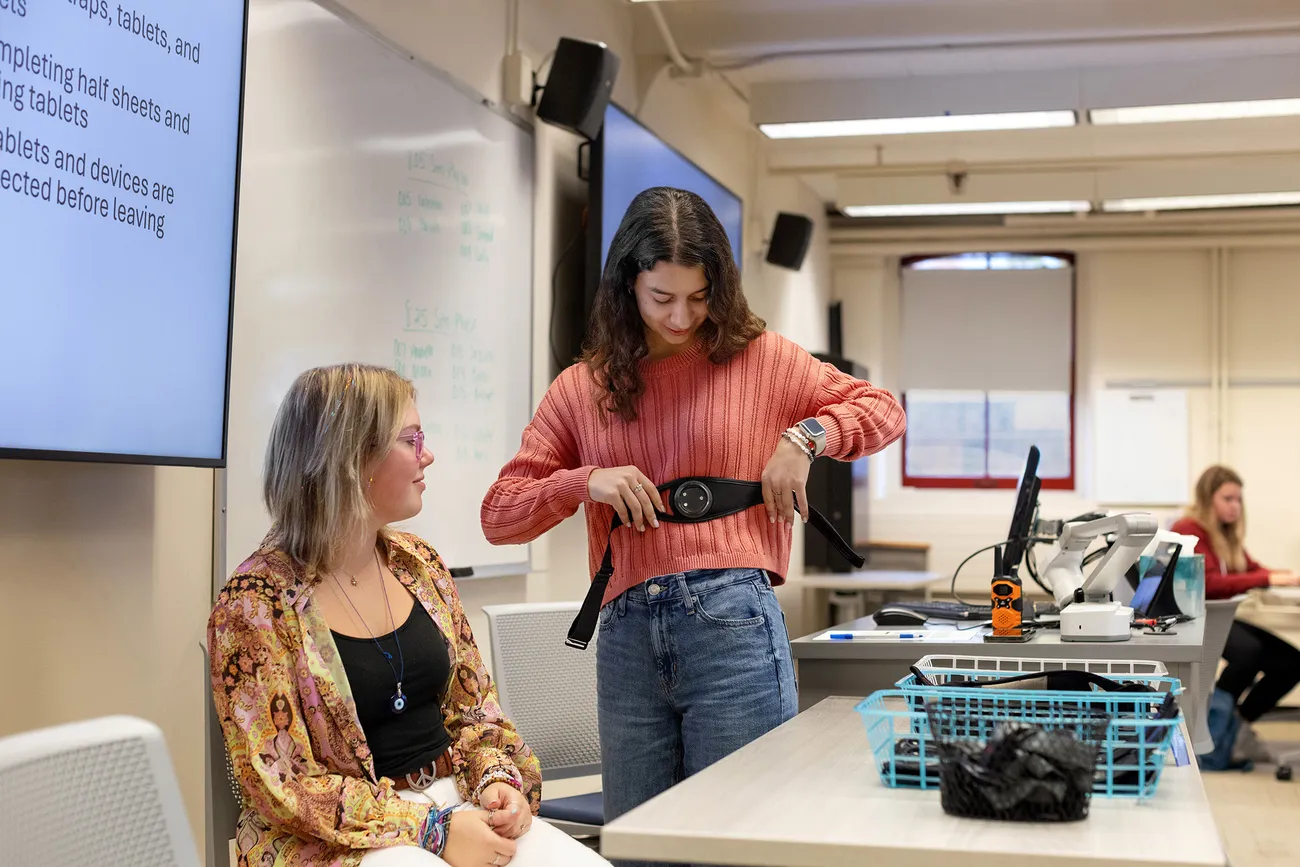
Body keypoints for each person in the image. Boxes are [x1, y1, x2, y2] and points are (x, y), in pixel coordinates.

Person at [480, 186, 907, 864]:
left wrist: (806, 437)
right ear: (628, 284)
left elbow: (882, 409)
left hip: (731, 625)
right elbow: (499, 512)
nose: (682, 316)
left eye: (699, 296)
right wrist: (584, 480)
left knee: (742, 845)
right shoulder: (581, 387)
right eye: (661, 297)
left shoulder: (762, 358)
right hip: (624, 638)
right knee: (641, 850)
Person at [209, 363, 610, 867]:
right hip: (342, 840)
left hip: (455, 802)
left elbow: (474, 712)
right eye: (411, 440)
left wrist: (495, 781)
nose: (429, 455)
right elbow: (284, 789)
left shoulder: (420, 564)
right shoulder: (253, 605)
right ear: (351, 458)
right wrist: (433, 830)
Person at [1171, 465, 1300, 764]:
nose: (1235, 506)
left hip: (1220, 616)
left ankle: (1236, 725)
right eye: (1228, 498)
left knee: (1292, 662)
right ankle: (1212, 724)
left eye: (1238, 500)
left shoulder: (1225, 536)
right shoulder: (1190, 529)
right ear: (1208, 498)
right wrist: (1268, 579)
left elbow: (1251, 569)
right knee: (1247, 652)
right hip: (1194, 618)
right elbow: (1211, 584)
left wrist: (1283, 575)